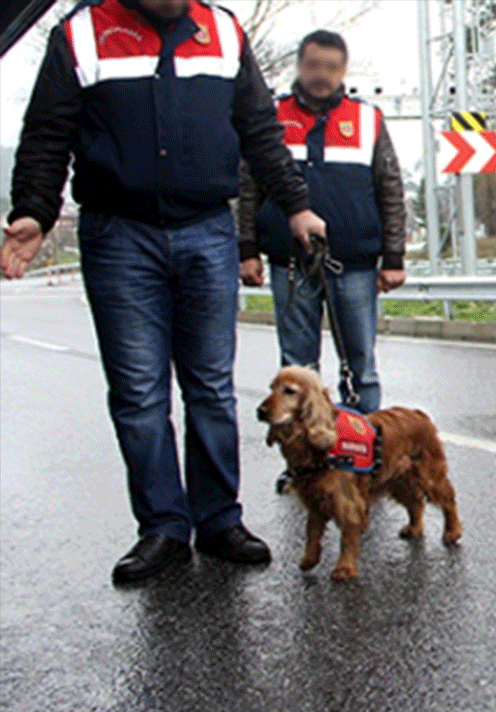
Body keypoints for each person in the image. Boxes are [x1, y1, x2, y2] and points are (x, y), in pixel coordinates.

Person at [2, 0, 325, 583]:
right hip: (118, 235)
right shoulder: (81, 33)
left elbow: (259, 131)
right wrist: (34, 210)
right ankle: (163, 528)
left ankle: (219, 520)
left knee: (211, 388)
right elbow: (47, 135)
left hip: (207, 228)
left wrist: (296, 206)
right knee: (139, 394)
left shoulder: (223, 31)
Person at [237, 30, 406, 493]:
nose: (321, 75)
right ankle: (302, 466)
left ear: (343, 71)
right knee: (296, 368)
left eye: (331, 67)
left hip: (354, 263)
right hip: (290, 264)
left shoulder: (367, 119)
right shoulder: (270, 117)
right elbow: (248, 187)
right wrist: (246, 249)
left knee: (360, 367)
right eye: (314, 65)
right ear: (300, 65)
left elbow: (390, 188)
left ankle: (365, 460)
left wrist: (394, 255)